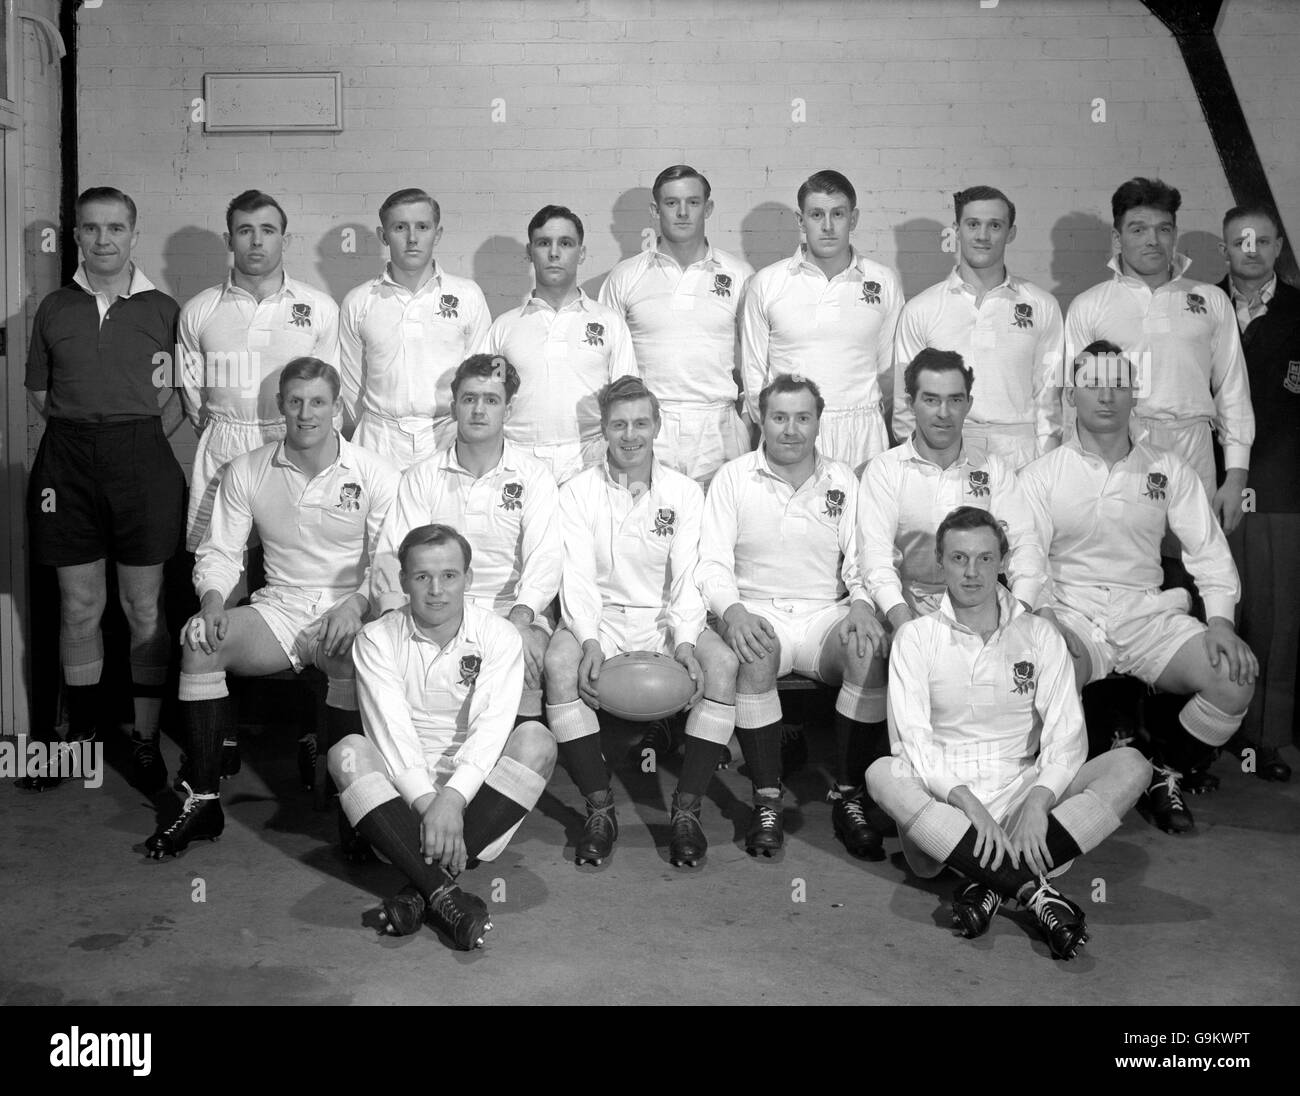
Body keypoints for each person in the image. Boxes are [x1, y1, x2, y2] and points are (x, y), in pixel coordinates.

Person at [866, 507, 1151, 960]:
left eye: (984, 558)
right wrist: (968, 805)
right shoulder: (915, 637)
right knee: (882, 771)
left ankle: (987, 881)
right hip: (949, 809)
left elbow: (1067, 737)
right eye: (959, 559)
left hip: (1025, 798)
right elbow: (913, 743)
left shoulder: (1038, 633)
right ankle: (1034, 892)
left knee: (1132, 765)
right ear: (940, 563)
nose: (972, 572)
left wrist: (1039, 801)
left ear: (1003, 561)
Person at [144, 358, 399, 859]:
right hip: (280, 609)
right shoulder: (247, 469)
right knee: (199, 643)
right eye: (296, 401)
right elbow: (219, 552)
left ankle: (357, 811)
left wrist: (357, 605)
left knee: (351, 657)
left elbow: (389, 561)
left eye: (319, 402)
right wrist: (213, 602)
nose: (307, 414)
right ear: (280, 406)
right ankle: (203, 800)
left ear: (338, 408)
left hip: (348, 610)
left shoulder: (376, 473)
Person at [1017, 342, 1257, 835]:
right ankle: (1063, 788)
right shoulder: (1041, 475)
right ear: (1071, 395)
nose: (1106, 396)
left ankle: (1163, 768)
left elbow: (1209, 550)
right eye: (1093, 384)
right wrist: (1043, 618)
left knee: (1233, 678)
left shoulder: (1166, 469)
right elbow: (1028, 563)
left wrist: (1221, 623)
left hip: (1146, 615)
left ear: (1135, 395)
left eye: (1119, 384)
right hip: (1073, 614)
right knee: (1041, 669)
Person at [328, 524, 558, 950]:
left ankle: (419, 892)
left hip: (476, 800)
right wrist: (428, 804)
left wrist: (453, 800)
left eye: (449, 575)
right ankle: (445, 893)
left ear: (468, 579)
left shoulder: (499, 636)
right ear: (403, 581)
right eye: (422, 577)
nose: (437, 590)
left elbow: (491, 730)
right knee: (347, 753)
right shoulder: (376, 638)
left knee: (537, 740)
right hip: (400, 798)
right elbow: (391, 733)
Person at [24, 187, 185, 793]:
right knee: (79, 607)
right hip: (66, 465)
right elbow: (40, 393)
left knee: (143, 607)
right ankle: (82, 740)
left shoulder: (163, 309)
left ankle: (144, 739)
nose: (103, 239)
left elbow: (179, 398)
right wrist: (84, 437)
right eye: (91, 229)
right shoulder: (53, 308)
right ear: (79, 237)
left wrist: (135, 441)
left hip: (142, 459)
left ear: (133, 234)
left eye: (115, 228)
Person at [543, 377, 738, 867]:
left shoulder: (685, 492)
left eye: (640, 424)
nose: (630, 435)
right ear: (603, 430)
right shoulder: (576, 492)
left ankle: (687, 810)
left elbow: (689, 577)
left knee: (724, 667)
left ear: (657, 427)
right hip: (601, 618)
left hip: (664, 619)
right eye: (619, 425)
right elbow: (578, 578)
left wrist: (687, 640)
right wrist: (587, 639)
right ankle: (599, 808)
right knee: (561, 665)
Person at [698, 374, 890, 859]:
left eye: (802, 418)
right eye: (780, 417)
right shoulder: (734, 477)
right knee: (755, 654)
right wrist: (734, 613)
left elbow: (861, 560)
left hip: (826, 612)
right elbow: (713, 563)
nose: (790, 429)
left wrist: (864, 603)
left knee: (867, 651)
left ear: (818, 422)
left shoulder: (843, 480)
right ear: (761, 419)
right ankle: (767, 799)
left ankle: (848, 796)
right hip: (759, 609)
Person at [371, 353, 560, 723]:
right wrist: (396, 622)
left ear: (508, 409)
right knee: (386, 653)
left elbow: (545, 561)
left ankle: (508, 764)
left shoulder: (534, 477)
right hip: (435, 606)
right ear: (454, 404)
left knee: (529, 656)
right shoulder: (422, 476)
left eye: (491, 400)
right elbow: (393, 556)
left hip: (510, 609)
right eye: (469, 398)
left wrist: (520, 622)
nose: (478, 410)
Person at [1064, 177, 1253, 531]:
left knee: (1193, 567)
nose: (1153, 240)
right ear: (1118, 239)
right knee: (1123, 569)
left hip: (1194, 445)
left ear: (1175, 234)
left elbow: (1232, 389)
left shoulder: (1211, 300)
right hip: (1118, 447)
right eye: (1138, 229)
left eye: (1163, 229)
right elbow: (1071, 397)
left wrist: (1236, 477)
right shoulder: (1089, 306)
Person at [180, 189, 340, 551]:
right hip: (224, 444)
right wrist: (224, 427)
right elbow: (192, 394)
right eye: (245, 230)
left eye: (267, 230)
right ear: (229, 240)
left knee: (299, 561)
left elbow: (330, 389)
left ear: (284, 239)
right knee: (218, 563)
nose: (256, 241)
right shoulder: (197, 310)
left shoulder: (320, 307)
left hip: (294, 443)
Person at [860, 348, 1043, 630]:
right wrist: (903, 623)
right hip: (907, 610)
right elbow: (876, 557)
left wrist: (1016, 617)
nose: (944, 413)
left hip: (986, 613)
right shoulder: (885, 470)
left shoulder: (993, 469)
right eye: (931, 400)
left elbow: (1025, 547)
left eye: (954, 400)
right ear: (911, 403)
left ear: (968, 404)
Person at [598, 165, 754, 486]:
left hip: (718, 423)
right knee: (646, 526)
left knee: (718, 531)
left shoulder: (739, 274)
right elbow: (603, 360)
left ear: (708, 208)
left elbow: (757, 352)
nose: (683, 212)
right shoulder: (625, 276)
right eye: (671, 203)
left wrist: (748, 418)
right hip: (649, 422)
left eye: (693, 203)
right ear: (656, 210)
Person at [740, 170, 903, 471]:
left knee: (859, 518)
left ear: (853, 219)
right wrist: (775, 428)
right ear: (801, 221)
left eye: (837, 214)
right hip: (791, 430)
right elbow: (754, 376)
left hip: (863, 432)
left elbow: (890, 371)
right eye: (816, 215)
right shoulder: (767, 283)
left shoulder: (883, 282)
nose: (828, 226)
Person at [893, 186, 1063, 467]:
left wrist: (1046, 466)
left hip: (1019, 452)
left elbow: (1048, 398)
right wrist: (922, 463)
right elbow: (905, 402)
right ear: (957, 230)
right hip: (947, 451)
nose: (983, 236)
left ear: (1011, 233)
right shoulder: (921, 309)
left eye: (994, 225)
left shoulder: (1042, 306)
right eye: (973, 225)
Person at [1216, 204, 1298, 782]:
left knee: (1272, 618)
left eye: (1262, 241)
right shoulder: (1197, 304)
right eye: (1240, 241)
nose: (1251, 250)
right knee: (1210, 611)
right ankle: (1200, 739)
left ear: (1276, 248)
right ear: (1225, 248)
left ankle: (1263, 739)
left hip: (1279, 485)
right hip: (1204, 481)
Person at [481, 204, 637, 484]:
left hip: (591, 457)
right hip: (520, 460)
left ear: (582, 252)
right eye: (543, 243)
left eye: (565, 243)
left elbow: (628, 398)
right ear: (530, 252)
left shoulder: (609, 322)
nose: (554, 253)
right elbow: (488, 397)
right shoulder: (504, 328)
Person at [339, 188, 490, 469]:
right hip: (379, 440)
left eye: (422, 226)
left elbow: (480, 377)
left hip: (448, 435)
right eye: (400, 227)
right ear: (383, 236)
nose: (412, 238)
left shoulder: (468, 295)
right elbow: (351, 387)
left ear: (438, 233)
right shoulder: (358, 301)